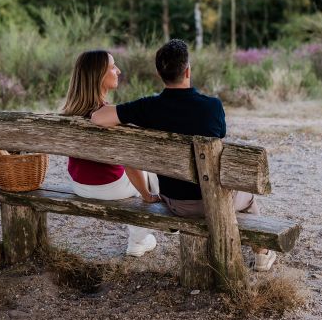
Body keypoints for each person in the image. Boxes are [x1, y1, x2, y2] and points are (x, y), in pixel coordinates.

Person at [92, 38, 276, 272]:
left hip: (175, 202)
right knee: (248, 199)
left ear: (160, 74)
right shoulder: (212, 107)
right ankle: (262, 254)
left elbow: (98, 118)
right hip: (213, 201)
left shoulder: (147, 107)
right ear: (187, 70)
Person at [62, 49, 160, 257]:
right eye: (112, 67)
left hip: (79, 185)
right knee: (151, 172)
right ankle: (137, 240)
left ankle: (139, 239)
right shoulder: (107, 116)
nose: (118, 70)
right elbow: (130, 163)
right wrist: (146, 195)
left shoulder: (69, 112)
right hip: (109, 187)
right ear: (98, 76)